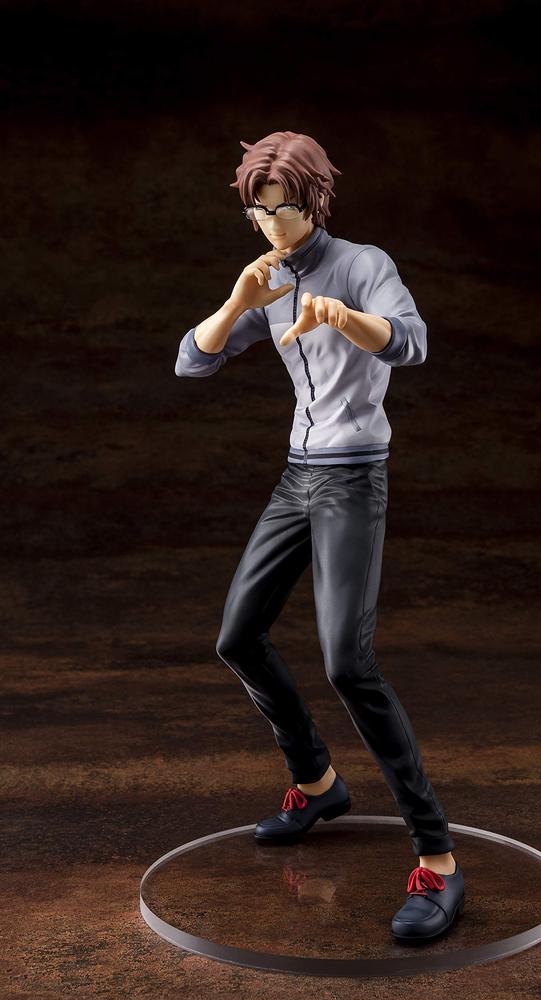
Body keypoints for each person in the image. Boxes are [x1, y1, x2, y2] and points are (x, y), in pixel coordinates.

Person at [174, 130, 465, 940]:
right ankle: (317, 781)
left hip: (353, 477)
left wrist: (345, 316)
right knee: (237, 637)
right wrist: (239, 301)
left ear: (316, 201)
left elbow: (412, 342)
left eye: (287, 209)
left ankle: (439, 860)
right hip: (296, 476)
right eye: (260, 212)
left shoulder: (364, 264)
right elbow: (192, 361)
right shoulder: (267, 276)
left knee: (348, 662)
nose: (274, 224)